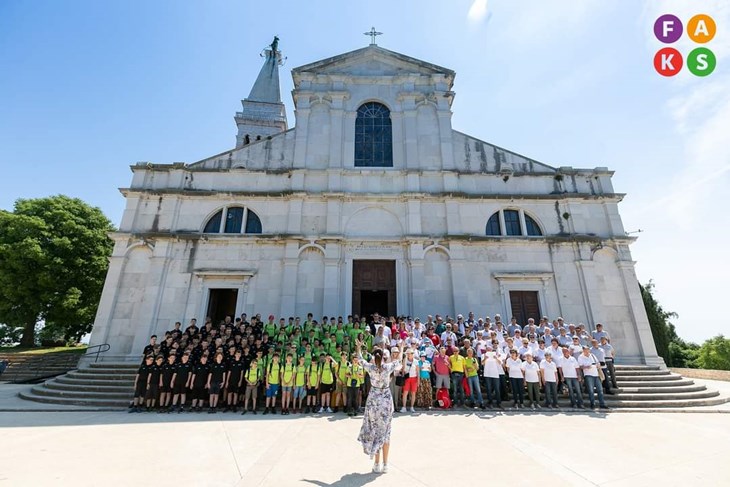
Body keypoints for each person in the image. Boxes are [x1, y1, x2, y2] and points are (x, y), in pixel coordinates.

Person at [356, 339, 404, 474]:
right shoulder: (387, 367)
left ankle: (376, 464)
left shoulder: (370, 368)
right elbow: (399, 362)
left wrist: (358, 347)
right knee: (386, 432)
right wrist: (401, 348)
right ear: (383, 356)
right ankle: (385, 464)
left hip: (373, 401)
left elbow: (360, 359)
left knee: (375, 431)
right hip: (385, 400)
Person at [578, 345, 609, 409]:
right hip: (588, 375)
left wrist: (598, 365)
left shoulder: (592, 355)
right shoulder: (580, 357)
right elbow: (580, 366)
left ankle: (602, 404)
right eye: (585, 350)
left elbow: (597, 362)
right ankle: (592, 404)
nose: (586, 351)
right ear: (583, 350)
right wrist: (587, 366)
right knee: (591, 390)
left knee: (600, 390)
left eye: (587, 349)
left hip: (596, 374)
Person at [400, 348, 419, 413]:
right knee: (405, 393)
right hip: (406, 378)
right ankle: (404, 407)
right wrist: (403, 376)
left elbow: (418, 371)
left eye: (410, 353)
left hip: (414, 378)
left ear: (412, 354)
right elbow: (402, 370)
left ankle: (412, 407)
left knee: (413, 393)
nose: (408, 355)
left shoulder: (416, 361)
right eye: (407, 353)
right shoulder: (404, 360)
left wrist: (418, 380)